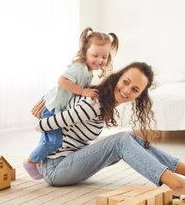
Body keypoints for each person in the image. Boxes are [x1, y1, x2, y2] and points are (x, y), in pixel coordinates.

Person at [31, 62, 185, 200]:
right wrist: (44, 114)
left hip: (70, 162)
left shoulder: (103, 101)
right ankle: (177, 184)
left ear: (138, 96)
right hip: (56, 169)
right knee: (121, 140)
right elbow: (42, 125)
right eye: (126, 82)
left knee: (130, 139)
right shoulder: (94, 102)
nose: (126, 90)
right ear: (118, 77)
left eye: (135, 89)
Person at [23, 27, 119, 179]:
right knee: (54, 141)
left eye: (104, 57)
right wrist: (82, 91)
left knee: (48, 138)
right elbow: (61, 81)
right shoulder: (79, 67)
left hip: (56, 106)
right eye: (95, 55)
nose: (100, 60)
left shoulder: (88, 71)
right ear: (85, 52)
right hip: (52, 107)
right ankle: (30, 161)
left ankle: (41, 162)